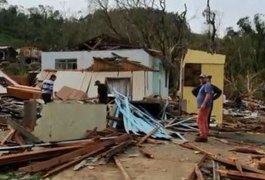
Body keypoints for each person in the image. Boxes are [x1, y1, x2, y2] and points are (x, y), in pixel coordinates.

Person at [194, 74, 213, 142]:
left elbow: (208, 95)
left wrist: (204, 103)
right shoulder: (204, 85)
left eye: (203, 78)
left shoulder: (207, 85)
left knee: (200, 120)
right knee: (204, 120)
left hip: (204, 106)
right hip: (203, 106)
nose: (201, 79)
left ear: (206, 79)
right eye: (200, 78)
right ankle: (204, 134)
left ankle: (203, 136)